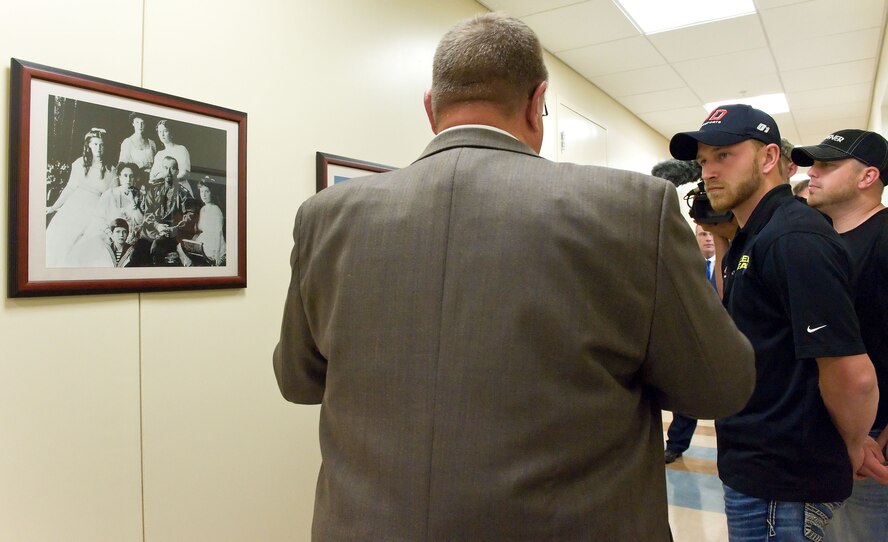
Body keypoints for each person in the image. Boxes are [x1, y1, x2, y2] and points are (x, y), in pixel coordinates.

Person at [273, 13, 755, 541]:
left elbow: (298, 380)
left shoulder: (325, 216)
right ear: (536, 102)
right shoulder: (635, 209)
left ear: (431, 108)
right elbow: (719, 386)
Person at [670, 104, 878, 541]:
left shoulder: (793, 237)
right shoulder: (755, 236)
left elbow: (851, 374)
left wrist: (852, 444)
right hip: (756, 467)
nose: (708, 171)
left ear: (767, 159)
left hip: (782, 481)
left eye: (724, 156)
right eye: (704, 160)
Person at [791, 129, 888, 541]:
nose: (812, 173)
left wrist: (879, 441)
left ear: (868, 177)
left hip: (870, 442)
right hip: (823, 433)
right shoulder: (821, 243)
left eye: (828, 165)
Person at [664, 224, 718, 463]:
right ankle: (676, 444)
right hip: (692, 346)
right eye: (702, 234)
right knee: (686, 402)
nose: (707, 239)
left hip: (723, 345)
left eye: (710, 234)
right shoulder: (685, 268)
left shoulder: (729, 265)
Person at [45, 128, 116, 267]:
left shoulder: (111, 170)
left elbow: (112, 197)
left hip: (96, 209)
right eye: (95, 144)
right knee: (59, 237)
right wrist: (54, 207)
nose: (99, 148)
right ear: (89, 145)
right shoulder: (80, 164)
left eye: (101, 145)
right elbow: (70, 188)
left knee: (85, 245)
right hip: (75, 205)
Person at [141, 156, 199, 265]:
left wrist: (175, 228)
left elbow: (190, 214)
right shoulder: (153, 190)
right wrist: (157, 226)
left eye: (172, 168)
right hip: (154, 230)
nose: (168, 172)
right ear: (161, 169)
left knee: (157, 248)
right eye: (165, 168)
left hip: (174, 233)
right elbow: (148, 213)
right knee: (138, 253)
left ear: (176, 171)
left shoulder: (183, 193)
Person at [178, 177, 225, 266]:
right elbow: (200, 228)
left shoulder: (216, 209)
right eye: (202, 192)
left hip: (214, 243)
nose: (204, 195)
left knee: (195, 254)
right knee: (181, 247)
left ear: (212, 193)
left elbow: (218, 233)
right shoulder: (203, 209)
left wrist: (217, 254)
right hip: (204, 240)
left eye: (207, 191)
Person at [148, 119, 192, 191]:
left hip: (181, 188)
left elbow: (185, 173)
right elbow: (152, 177)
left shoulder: (181, 149)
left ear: (171, 133)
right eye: (160, 132)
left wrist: (163, 177)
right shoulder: (159, 154)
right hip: (163, 190)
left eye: (165, 131)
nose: (162, 134)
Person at [118, 112, 157, 187]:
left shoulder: (152, 143)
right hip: (135, 181)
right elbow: (123, 165)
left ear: (145, 124)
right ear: (133, 123)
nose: (140, 125)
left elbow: (156, 164)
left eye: (142, 122)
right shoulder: (127, 142)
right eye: (137, 122)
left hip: (152, 181)